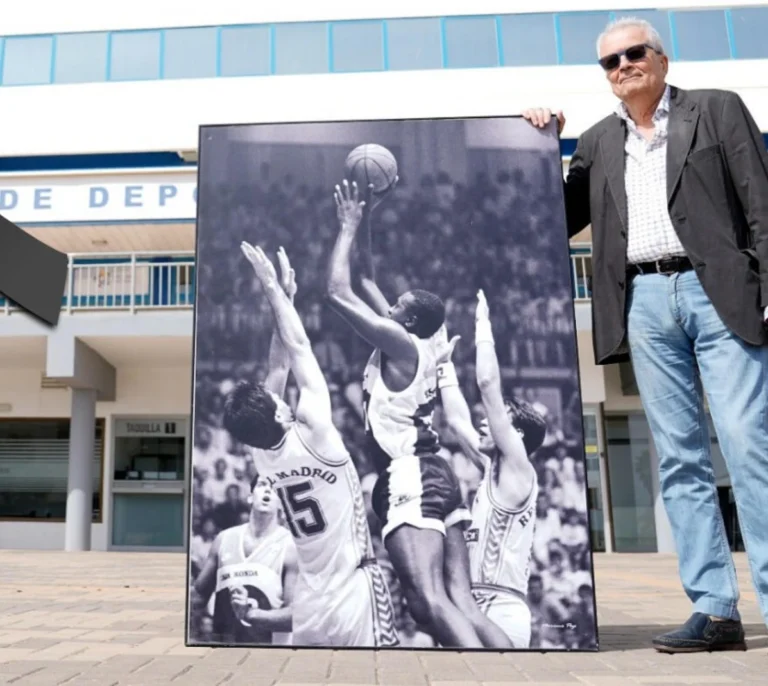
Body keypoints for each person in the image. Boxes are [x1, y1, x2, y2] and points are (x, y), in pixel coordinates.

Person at [523, 15, 768, 653]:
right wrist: (542, 146)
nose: (624, 66)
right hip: (644, 302)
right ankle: (716, 611)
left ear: (660, 58)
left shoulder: (716, 110)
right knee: (681, 460)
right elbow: (557, 218)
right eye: (611, 61)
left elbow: (761, 204)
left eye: (635, 53)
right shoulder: (600, 141)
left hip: (721, 297)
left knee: (748, 447)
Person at [326, 179, 512, 649]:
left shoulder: (401, 345)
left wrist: (346, 228)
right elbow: (368, 281)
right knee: (460, 603)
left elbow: (338, 291)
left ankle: (478, 676)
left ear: (406, 322)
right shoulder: (422, 341)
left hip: (409, 475)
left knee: (427, 602)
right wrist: (367, 219)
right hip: (437, 476)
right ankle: (514, 671)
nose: (389, 305)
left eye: (398, 305)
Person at [222, 243, 398, 648]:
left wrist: (284, 298)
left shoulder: (260, 456)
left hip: (309, 602)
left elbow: (278, 366)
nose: (283, 398)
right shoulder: (315, 429)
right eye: (280, 401)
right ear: (282, 414)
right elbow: (297, 350)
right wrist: (272, 286)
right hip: (355, 590)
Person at [436, 290, 547, 648]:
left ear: (515, 434)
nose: (485, 424)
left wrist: (482, 324)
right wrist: (442, 365)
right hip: (469, 603)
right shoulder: (491, 468)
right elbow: (455, 419)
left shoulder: (519, 468)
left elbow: (487, 384)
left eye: (496, 422)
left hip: (502, 605)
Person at [190, 473, 298, 646]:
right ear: (250, 497)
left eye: (276, 489)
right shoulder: (223, 539)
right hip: (223, 651)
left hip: (269, 654)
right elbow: (197, 599)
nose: (268, 491)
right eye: (263, 484)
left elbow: (296, 616)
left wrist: (250, 614)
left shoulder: (291, 547)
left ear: (282, 503)